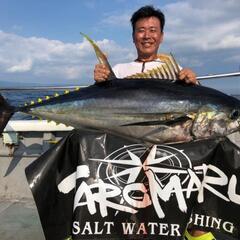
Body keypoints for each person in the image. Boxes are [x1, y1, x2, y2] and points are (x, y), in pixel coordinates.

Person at [94, 5, 214, 240]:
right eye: (141, 30)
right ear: (133, 36)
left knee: (199, 203)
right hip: (125, 148)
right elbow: (101, 107)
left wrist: (193, 83)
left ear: (161, 35)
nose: (147, 35)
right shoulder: (119, 70)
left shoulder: (175, 71)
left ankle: (195, 230)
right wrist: (99, 80)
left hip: (167, 152)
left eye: (153, 30)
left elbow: (199, 111)